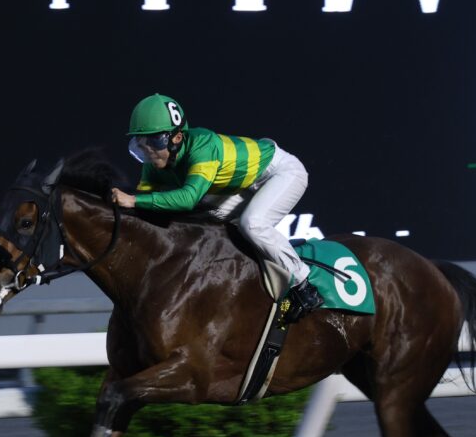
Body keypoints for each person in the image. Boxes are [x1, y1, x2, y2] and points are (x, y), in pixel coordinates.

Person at [111, 93, 324, 320]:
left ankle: (305, 285)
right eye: (141, 143)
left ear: (177, 137)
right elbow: (144, 205)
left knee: (252, 224)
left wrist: (132, 200)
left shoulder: (203, 145)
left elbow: (187, 198)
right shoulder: (152, 165)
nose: (148, 151)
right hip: (244, 186)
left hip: (281, 172)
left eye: (155, 142)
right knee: (205, 220)